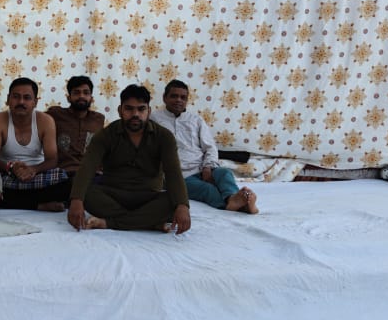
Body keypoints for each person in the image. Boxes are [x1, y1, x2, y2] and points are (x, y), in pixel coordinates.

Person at [67, 84, 191, 233]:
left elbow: (173, 173)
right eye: (129, 109)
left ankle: (109, 223)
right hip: (113, 195)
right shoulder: (105, 135)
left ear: (149, 111)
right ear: (120, 110)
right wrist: (76, 200)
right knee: (85, 193)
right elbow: (87, 167)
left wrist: (183, 205)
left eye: (141, 109)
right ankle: (149, 222)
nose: (135, 114)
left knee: (174, 202)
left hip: (148, 196)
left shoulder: (164, 137)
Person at [150, 79, 259, 214]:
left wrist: (208, 167)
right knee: (207, 189)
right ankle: (238, 206)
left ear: (187, 100)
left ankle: (233, 199)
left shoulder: (196, 120)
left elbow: (210, 147)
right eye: (174, 96)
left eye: (183, 97)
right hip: (177, 176)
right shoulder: (154, 120)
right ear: (164, 98)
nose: (178, 100)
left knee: (225, 173)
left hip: (201, 169)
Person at [0, 77, 71, 211]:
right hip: (7, 175)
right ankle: (37, 205)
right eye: (16, 97)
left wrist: (33, 170)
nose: (21, 102)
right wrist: (11, 168)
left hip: (36, 174)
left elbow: (52, 160)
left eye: (27, 98)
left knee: (64, 180)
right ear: (8, 99)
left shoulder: (46, 121)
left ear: (35, 102)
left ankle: (18, 202)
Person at [45, 75, 106, 176]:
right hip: (63, 174)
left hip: (92, 174)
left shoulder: (98, 119)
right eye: (76, 92)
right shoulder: (55, 114)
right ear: (69, 98)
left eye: (86, 93)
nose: (81, 96)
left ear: (91, 98)